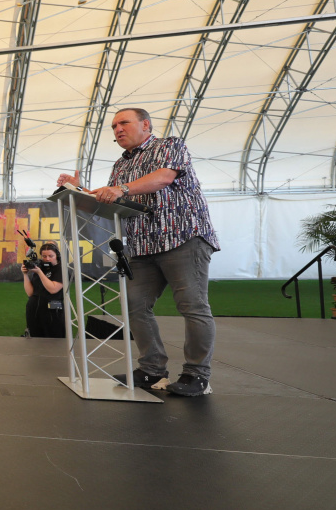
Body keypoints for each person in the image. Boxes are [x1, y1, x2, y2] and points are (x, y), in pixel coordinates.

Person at [57, 107, 221, 397]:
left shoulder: (169, 145)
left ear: (146, 124)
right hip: (142, 246)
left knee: (192, 306)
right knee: (134, 306)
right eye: (113, 126)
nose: (117, 129)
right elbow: (111, 199)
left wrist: (120, 189)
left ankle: (197, 375)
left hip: (183, 237)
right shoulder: (120, 165)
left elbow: (163, 178)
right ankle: (152, 369)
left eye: (124, 122)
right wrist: (80, 189)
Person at [21, 243, 65, 338]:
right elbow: (30, 293)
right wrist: (25, 274)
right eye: (44, 256)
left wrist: (39, 272)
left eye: (51, 256)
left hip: (52, 311)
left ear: (57, 255)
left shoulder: (61, 269)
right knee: (34, 338)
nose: (47, 259)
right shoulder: (40, 267)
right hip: (34, 309)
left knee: (54, 340)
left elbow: (53, 289)